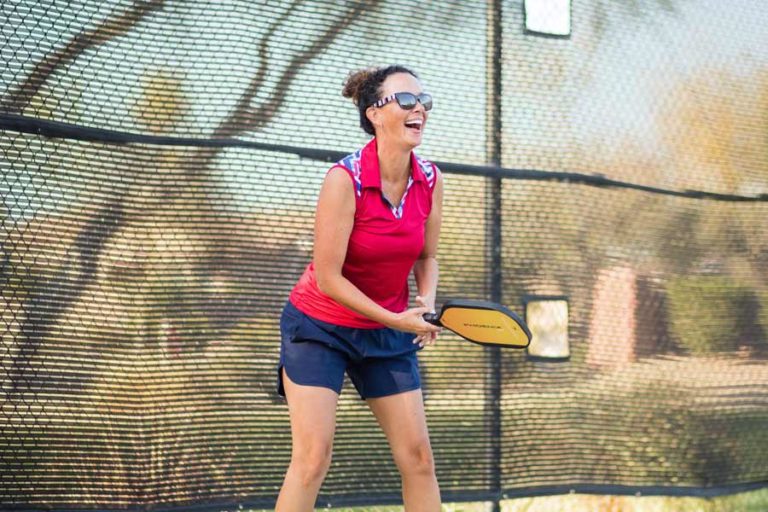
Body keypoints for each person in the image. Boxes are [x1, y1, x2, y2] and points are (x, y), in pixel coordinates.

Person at [275, 64, 444, 511]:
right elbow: (329, 278)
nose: (419, 109)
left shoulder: (430, 179)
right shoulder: (343, 180)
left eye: (423, 101)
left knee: (419, 459)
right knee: (312, 459)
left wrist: (424, 303)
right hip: (320, 327)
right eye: (406, 100)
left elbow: (427, 256)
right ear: (374, 112)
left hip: (388, 332)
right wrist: (397, 319)